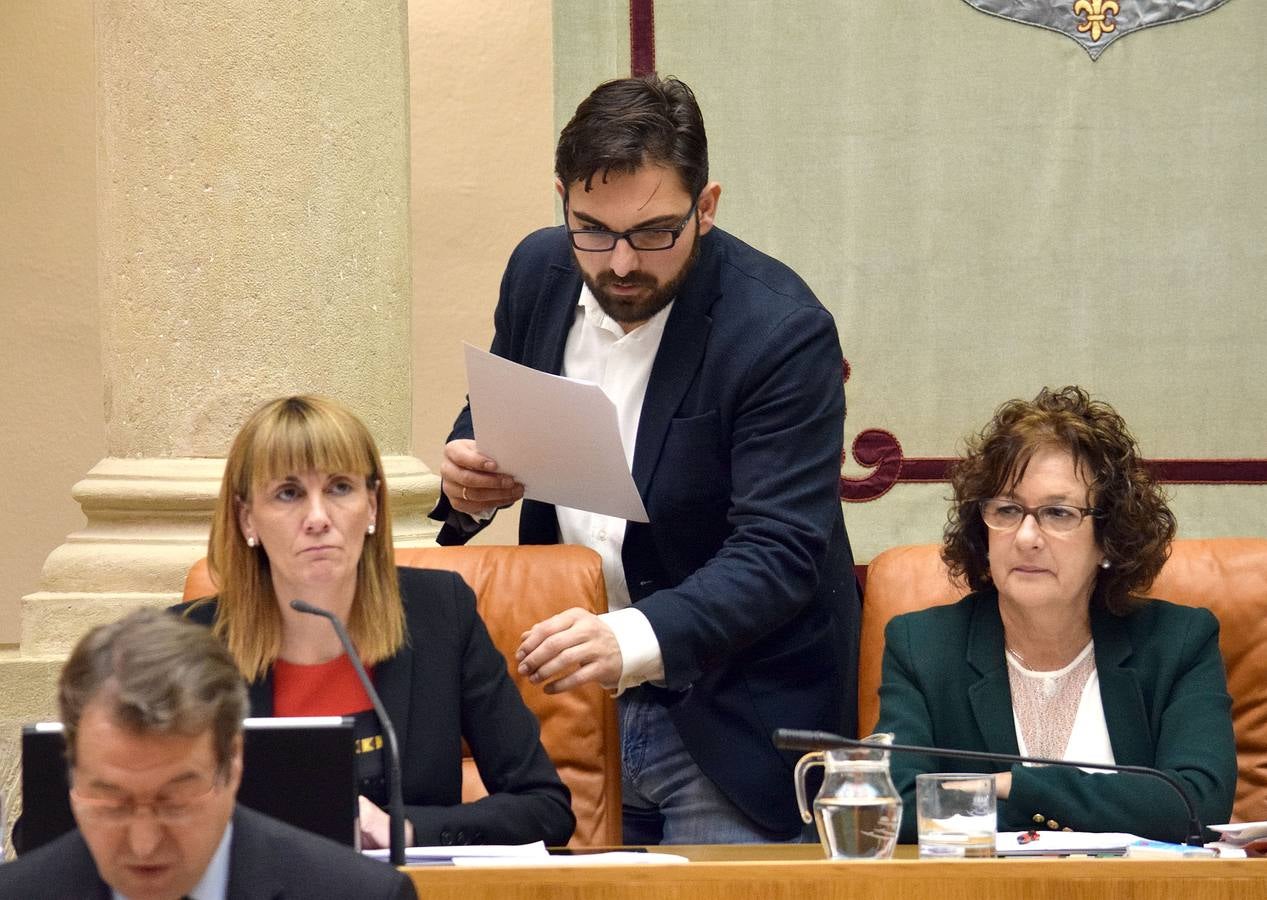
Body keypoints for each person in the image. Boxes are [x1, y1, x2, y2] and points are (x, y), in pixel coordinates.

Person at [432, 75, 860, 843]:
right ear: (560, 199)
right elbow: (501, 405)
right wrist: (470, 479)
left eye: (655, 232)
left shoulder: (778, 331)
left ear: (708, 206)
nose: (621, 263)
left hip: (733, 715)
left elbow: (779, 550)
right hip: (573, 702)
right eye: (592, 228)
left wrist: (629, 637)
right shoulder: (539, 269)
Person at [176, 394, 575, 847]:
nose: (318, 518)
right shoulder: (191, 644)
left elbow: (545, 808)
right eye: (288, 493)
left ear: (373, 505)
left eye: (340, 488)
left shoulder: (440, 616)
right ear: (247, 518)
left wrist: (404, 830)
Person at [875, 386, 1237, 843]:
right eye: (1007, 509)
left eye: (1058, 513)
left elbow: (1197, 805)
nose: (1026, 536)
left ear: (1108, 538)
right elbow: (895, 809)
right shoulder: (923, 646)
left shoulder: (1177, 641)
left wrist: (1015, 787)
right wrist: (1105, 807)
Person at [0, 608, 415, 900]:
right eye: (111, 802)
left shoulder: (360, 894)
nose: (144, 845)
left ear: (232, 763)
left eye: (174, 801)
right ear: (72, 771)